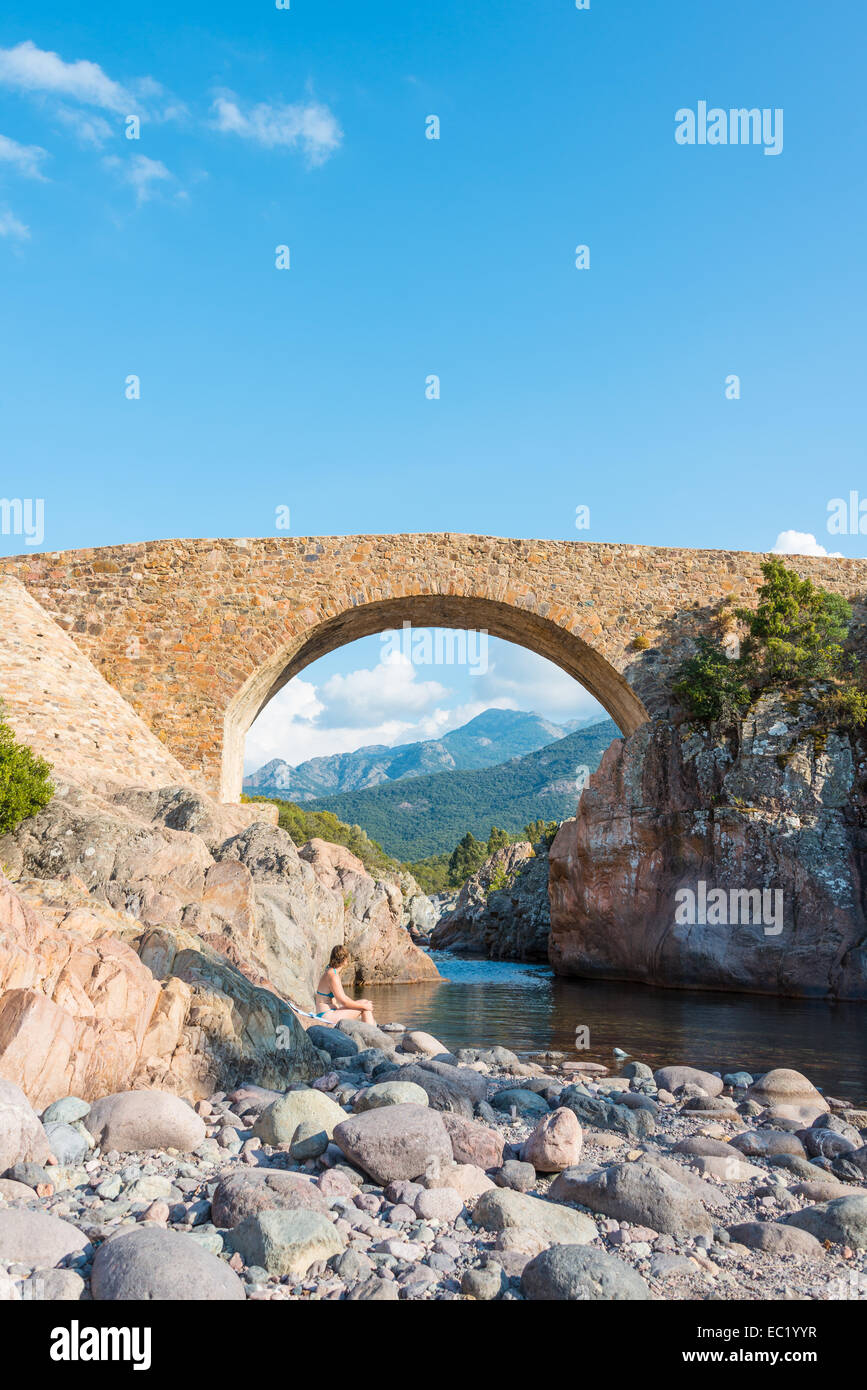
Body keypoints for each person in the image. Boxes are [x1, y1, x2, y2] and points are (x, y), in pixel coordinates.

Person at [315, 944, 376, 1024]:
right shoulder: (333, 976)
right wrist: (363, 1006)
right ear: (344, 960)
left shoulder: (329, 970)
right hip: (327, 1016)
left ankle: (371, 1031)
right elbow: (343, 1002)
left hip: (327, 1013)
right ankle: (371, 1034)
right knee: (365, 1007)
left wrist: (360, 1004)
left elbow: (344, 998)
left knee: (364, 1002)